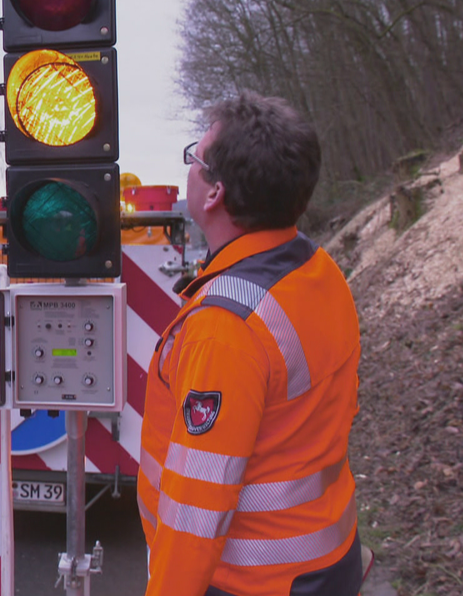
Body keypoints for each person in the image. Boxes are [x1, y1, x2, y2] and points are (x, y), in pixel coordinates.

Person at [137, 92, 363, 596]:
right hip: (328, 562)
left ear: (215, 193)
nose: (189, 169)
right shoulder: (317, 271)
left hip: (252, 583)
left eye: (195, 157)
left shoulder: (225, 330)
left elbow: (196, 512)